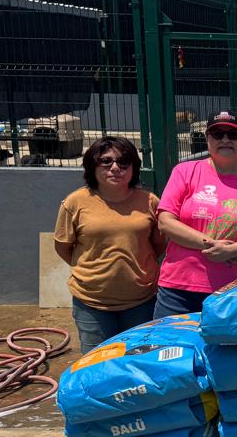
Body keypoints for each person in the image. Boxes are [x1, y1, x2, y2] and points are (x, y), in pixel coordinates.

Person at [153, 110, 237, 318]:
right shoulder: (185, 172)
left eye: (233, 134)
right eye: (217, 134)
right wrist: (211, 245)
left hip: (233, 288)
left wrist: (230, 251)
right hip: (179, 289)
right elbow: (165, 221)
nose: (225, 139)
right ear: (208, 139)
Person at [53, 137, 163, 352]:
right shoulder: (75, 202)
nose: (115, 168)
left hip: (142, 301)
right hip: (92, 303)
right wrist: (92, 271)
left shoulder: (150, 201)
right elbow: (63, 247)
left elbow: (158, 245)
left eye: (123, 162)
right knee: (97, 362)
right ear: (92, 166)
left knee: (138, 359)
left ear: (133, 168)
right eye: (106, 161)